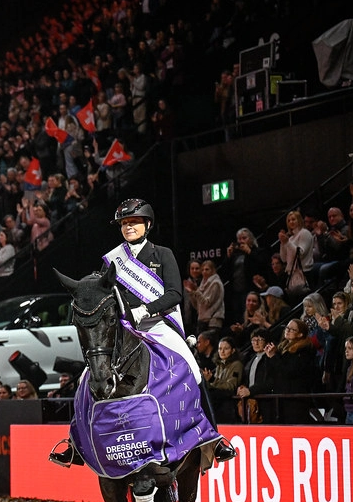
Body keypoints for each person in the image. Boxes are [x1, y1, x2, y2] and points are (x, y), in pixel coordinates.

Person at [50, 198, 236, 467]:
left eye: (134, 222)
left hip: (158, 325)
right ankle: (74, 444)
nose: (129, 228)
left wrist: (145, 311)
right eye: (124, 224)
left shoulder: (162, 254)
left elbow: (174, 293)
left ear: (147, 225)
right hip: (125, 328)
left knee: (194, 369)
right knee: (84, 379)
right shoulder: (112, 261)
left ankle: (213, 438)